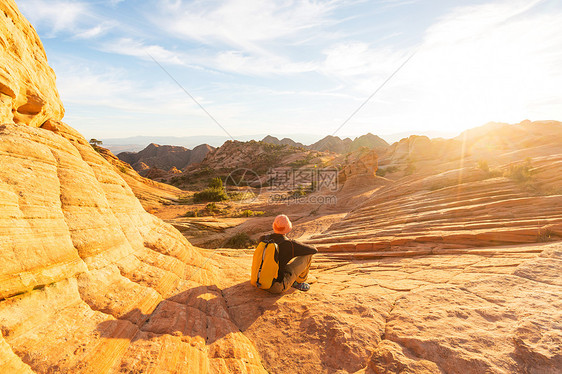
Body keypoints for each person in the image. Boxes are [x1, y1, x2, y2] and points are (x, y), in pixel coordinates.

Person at [260, 214, 317, 293]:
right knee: (308, 256)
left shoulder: (263, 238)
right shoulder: (289, 244)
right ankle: (299, 283)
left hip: (260, 281)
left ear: (274, 226)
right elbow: (314, 250)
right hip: (276, 287)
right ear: (288, 228)